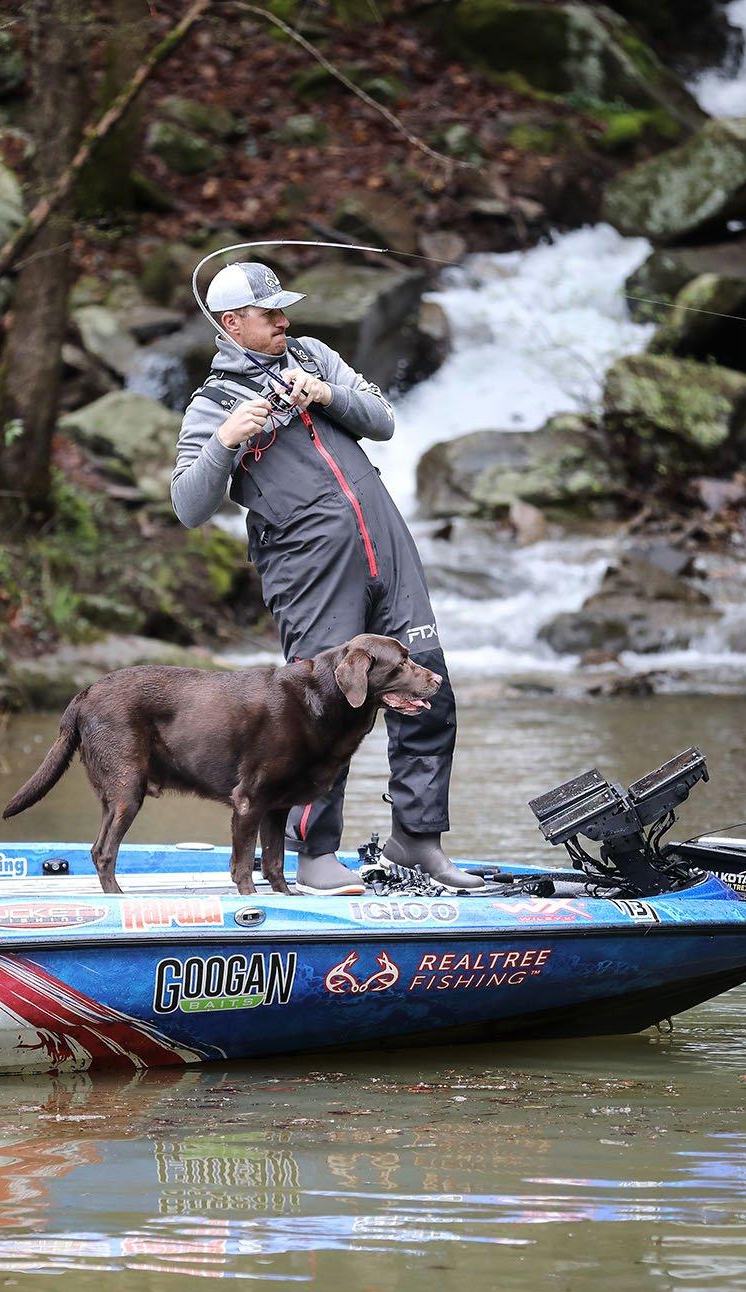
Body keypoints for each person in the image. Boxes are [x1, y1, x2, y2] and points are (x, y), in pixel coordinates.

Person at [171, 260, 481, 893]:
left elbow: (384, 421)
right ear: (232, 323)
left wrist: (328, 395)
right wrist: (224, 442)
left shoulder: (313, 355)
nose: (286, 319)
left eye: (285, 307)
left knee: (429, 688)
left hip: (387, 549)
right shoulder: (210, 405)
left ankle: (415, 840)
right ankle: (309, 853)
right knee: (319, 707)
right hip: (307, 567)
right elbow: (188, 505)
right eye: (270, 312)